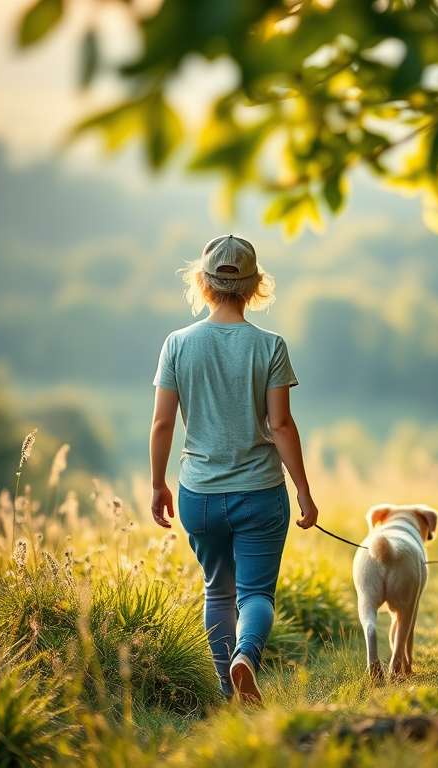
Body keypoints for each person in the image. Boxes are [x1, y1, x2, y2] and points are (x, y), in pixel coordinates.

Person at [149, 234, 320, 705]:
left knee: (218, 593)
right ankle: (248, 656)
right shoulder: (270, 345)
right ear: (255, 286)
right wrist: (304, 490)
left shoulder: (177, 344)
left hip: (198, 495)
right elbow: (281, 424)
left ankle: (229, 690)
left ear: (203, 284)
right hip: (261, 492)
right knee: (256, 594)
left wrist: (157, 483)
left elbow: (163, 422)